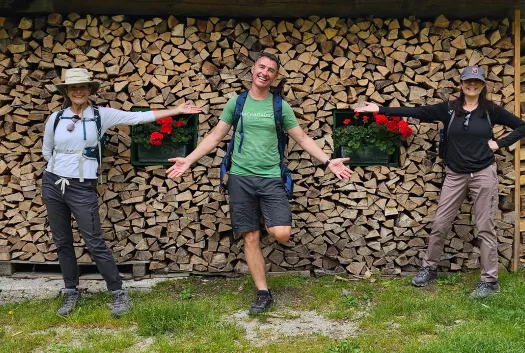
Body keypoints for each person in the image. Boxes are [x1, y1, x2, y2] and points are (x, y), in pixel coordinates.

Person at [167, 52, 353, 314]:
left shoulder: (279, 106)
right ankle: (263, 293)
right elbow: (216, 136)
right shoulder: (237, 103)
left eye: (271, 70)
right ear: (253, 70)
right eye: (261, 67)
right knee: (250, 237)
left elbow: (301, 137)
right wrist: (189, 160)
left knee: (282, 233)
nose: (265, 72)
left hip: (271, 178)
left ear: (275, 76)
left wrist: (327, 160)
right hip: (240, 178)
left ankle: (267, 216)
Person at [42, 68, 202, 317]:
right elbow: (47, 150)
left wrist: (177, 110)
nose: (79, 91)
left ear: (90, 90)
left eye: (83, 86)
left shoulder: (100, 115)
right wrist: (58, 170)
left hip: (82, 185)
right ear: (67, 92)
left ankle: (118, 293)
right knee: (62, 241)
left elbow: (136, 118)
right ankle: (71, 291)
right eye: (74, 88)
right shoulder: (55, 118)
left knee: (94, 241)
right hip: (53, 183)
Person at [355, 65, 525, 298]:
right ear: (461, 84)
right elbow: (417, 111)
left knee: (485, 227)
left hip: (484, 173)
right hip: (455, 174)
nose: (472, 85)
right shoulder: (449, 109)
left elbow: (521, 126)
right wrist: (381, 109)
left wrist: (500, 143)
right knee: (440, 224)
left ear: (483, 85)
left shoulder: (491, 111)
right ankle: (429, 268)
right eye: (468, 81)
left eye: (476, 81)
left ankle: (490, 281)